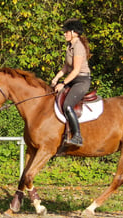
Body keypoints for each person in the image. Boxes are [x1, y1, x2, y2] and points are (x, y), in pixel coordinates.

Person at [51, 18, 91, 147]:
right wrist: (56, 78)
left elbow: (75, 70)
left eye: (66, 32)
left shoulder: (78, 47)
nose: (64, 34)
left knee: (67, 105)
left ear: (74, 32)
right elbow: (66, 68)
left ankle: (77, 136)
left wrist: (62, 83)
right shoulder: (70, 46)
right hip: (73, 79)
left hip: (81, 80)